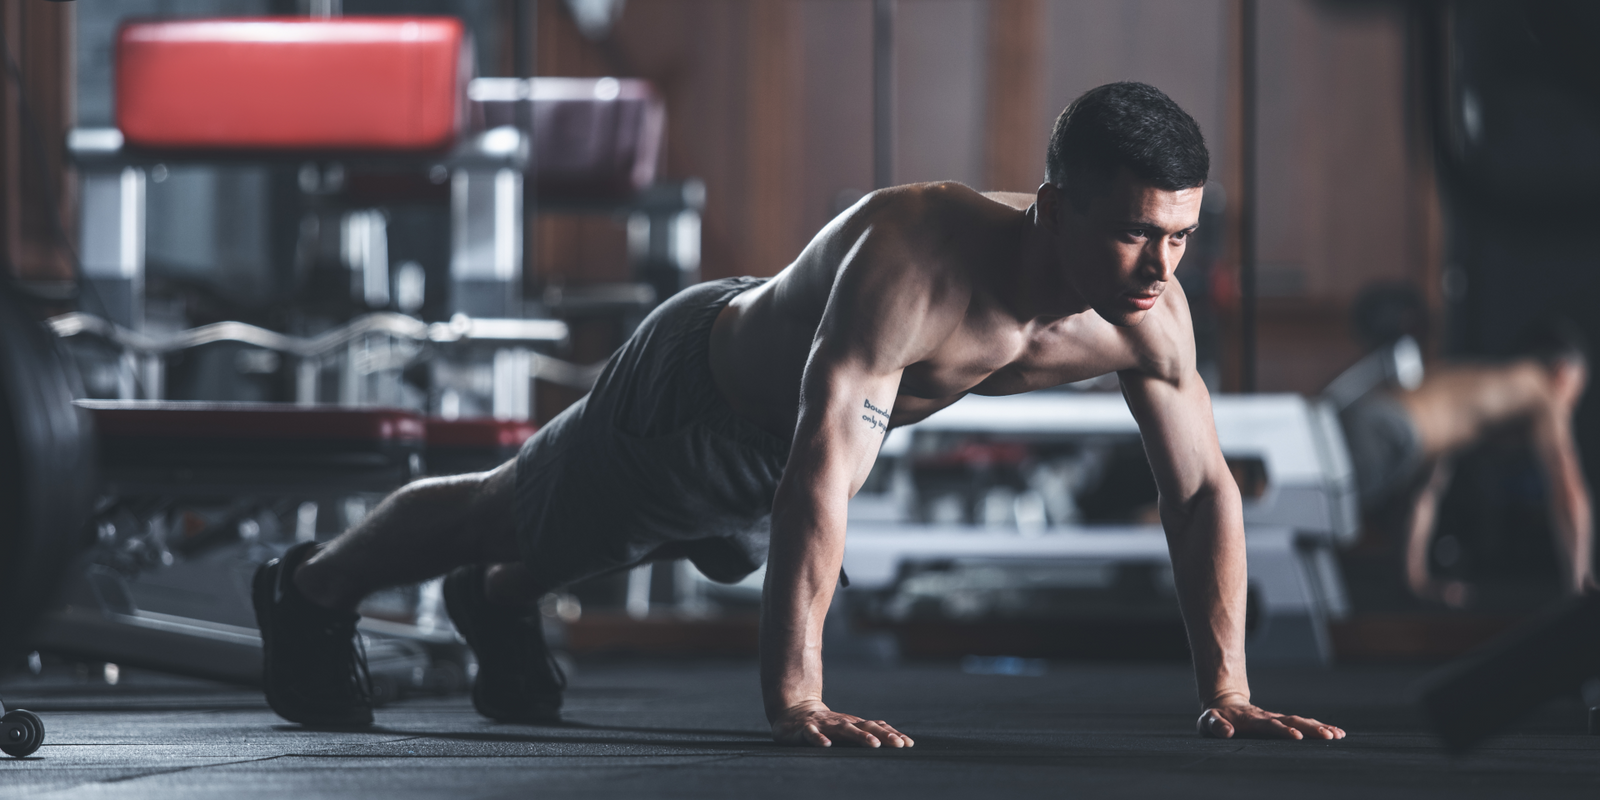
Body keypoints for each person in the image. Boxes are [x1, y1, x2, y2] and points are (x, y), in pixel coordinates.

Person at [252, 81, 1345, 746]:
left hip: (762, 448)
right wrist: (797, 697)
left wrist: (1230, 687)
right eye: (1134, 232)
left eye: (1180, 235)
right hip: (698, 397)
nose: (1160, 264)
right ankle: (308, 587)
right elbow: (821, 471)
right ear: (1054, 207)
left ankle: (495, 604)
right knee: (519, 508)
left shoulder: (1145, 312)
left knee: (604, 533)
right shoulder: (912, 258)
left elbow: (1199, 488)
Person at [1335, 285, 1595, 608]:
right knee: (1305, 521)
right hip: (1391, 432)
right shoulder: (1539, 387)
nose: (1571, 405)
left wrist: (1415, 582)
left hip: (1373, 420)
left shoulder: (1467, 398)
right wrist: (1581, 589)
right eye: (1576, 391)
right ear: (1562, 373)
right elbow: (1568, 489)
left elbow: (1424, 496)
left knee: (1314, 519)